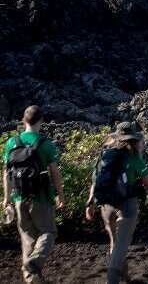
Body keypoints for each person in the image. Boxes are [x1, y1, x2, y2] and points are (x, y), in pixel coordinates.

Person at [85, 122, 148, 284]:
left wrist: (89, 203)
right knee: (121, 246)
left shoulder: (105, 154)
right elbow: (147, 180)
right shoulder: (132, 156)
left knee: (114, 243)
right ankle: (112, 279)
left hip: (106, 206)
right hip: (127, 206)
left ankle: (125, 276)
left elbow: (95, 180)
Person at [2, 105, 65, 284]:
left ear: (23, 120)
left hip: (18, 196)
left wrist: (6, 198)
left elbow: (6, 173)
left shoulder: (11, 143)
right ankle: (34, 262)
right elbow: (55, 173)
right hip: (41, 197)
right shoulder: (45, 144)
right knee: (49, 232)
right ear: (42, 121)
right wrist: (60, 194)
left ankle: (32, 279)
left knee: (27, 238)